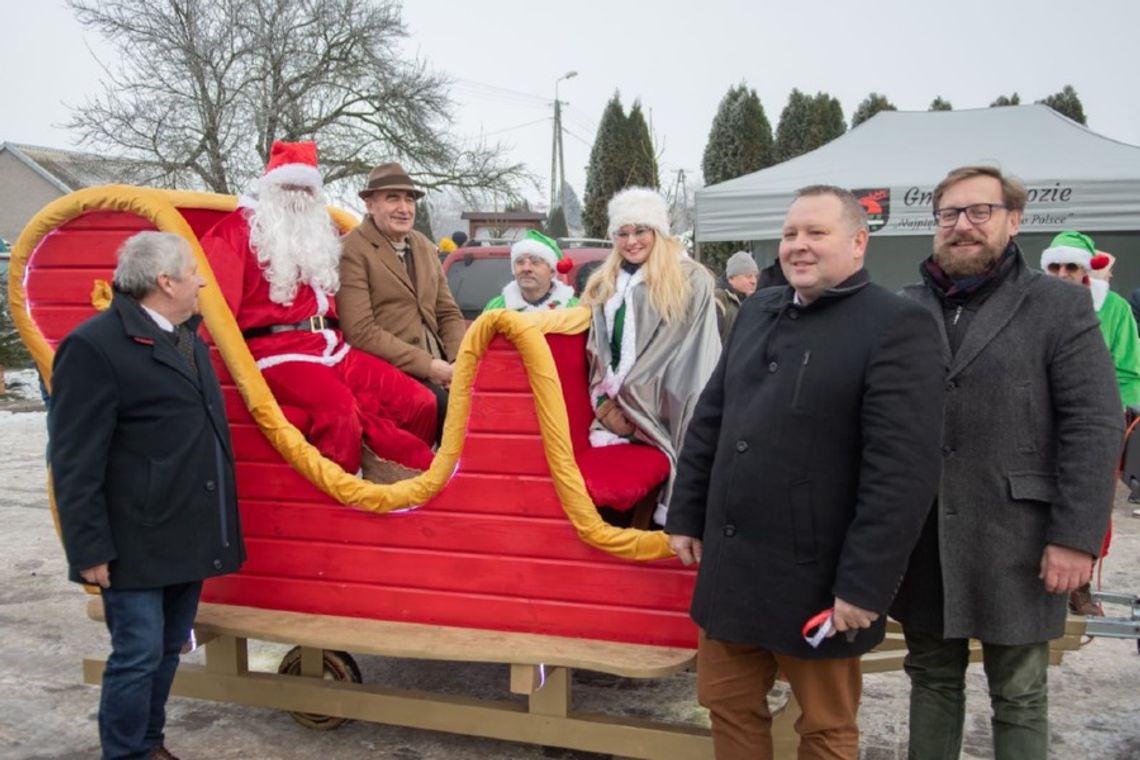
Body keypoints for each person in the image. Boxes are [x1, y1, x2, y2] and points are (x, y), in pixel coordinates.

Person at [665, 186, 944, 759]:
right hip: (734, 566)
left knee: (824, 727)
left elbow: (900, 474)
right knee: (728, 707)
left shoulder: (896, 324)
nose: (798, 246)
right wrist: (687, 513)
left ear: (858, 241)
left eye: (816, 233)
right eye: (791, 234)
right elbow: (713, 417)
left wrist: (864, 585)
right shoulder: (759, 308)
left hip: (818, 577)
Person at [890, 165, 1122, 759]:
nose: (962, 226)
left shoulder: (1058, 307)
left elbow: (1094, 425)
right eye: (948, 214)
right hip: (925, 537)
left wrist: (1076, 537)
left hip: (1019, 536)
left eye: (979, 212)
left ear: (1013, 222)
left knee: (1019, 693)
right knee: (931, 680)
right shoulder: (902, 309)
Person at [49, 231, 245, 760]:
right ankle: (126, 752)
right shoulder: (94, 346)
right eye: (193, 273)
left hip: (185, 532)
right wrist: (88, 548)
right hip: (133, 541)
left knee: (163, 653)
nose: (201, 281)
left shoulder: (186, 337)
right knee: (135, 656)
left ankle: (150, 743)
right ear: (165, 281)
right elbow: (74, 458)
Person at [201, 141, 436, 479]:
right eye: (288, 186)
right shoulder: (235, 232)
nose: (297, 194)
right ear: (270, 188)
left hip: (334, 349)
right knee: (338, 411)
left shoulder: (322, 232)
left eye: (306, 188)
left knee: (419, 401)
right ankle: (343, 502)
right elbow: (214, 316)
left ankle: (403, 483)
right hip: (276, 354)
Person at [579, 187, 720, 527]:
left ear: (658, 231)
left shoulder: (689, 280)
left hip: (667, 405)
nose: (631, 241)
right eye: (622, 233)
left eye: (641, 230)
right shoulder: (604, 282)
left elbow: (687, 356)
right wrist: (604, 404)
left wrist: (634, 402)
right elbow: (595, 350)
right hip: (613, 412)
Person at [338, 162, 467, 435]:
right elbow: (360, 331)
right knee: (449, 412)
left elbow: (448, 313)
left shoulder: (422, 244)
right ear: (370, 204)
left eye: (410, 199)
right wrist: (429, 366)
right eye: (392, 198)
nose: (404, 208)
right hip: (391, 372)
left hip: (443, 368)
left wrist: (457, 363)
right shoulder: (352, 249)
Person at [1041, 231, 1140, 407]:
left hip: (1096, 415)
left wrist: (1120, 420)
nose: (1062, 274)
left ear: (1085, 270)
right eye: (1055, 266)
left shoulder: (1115, 307)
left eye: (1071, 266)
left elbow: (1127, 374)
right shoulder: (1031, 304)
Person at [483, 230, 577, 313]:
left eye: (535, 262)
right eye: (520, 262)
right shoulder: (496, 308)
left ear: (552, 271)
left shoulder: (573, 308)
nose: (526, 268)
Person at [713, 250, 759, 341]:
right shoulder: (719, 299)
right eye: (748, 276)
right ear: (731, 278)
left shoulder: (752, 302)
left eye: (756, 276)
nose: (754, 281)